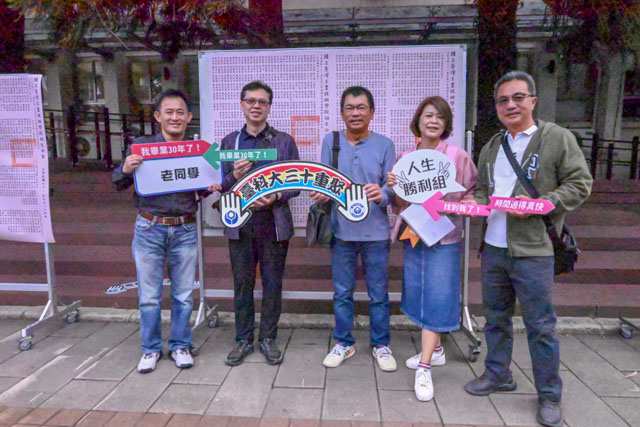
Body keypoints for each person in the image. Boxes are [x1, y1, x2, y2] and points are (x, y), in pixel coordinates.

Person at [464, 71, 592, 427]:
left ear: (533, 101)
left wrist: (541, 204)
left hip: (534, 250)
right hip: (494, 248)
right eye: (503, 100)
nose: (511, 105)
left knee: (540, 326)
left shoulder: (557, 138)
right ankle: (498, 374)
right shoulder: (493, 146)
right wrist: (471, 203)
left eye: (518, 98)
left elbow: (580, 184)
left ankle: (549, 395)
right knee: (495, 318)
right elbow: (484, 191)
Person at [112, 89, 220, 374]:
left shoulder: (198, 150)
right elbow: (118, 182)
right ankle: (150, 348)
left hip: (185, 228)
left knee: (183, 294)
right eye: (169, 112)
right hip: (149, 227)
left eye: (180, 112)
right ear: (158, 116)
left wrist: (212, 185)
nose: (175, 117)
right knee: (149, 296)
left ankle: (180, 345)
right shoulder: (141, 147)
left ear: (189, 117)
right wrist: (126, 168)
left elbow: (200, 187)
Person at [387, 96, 477, 401]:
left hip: (443, 236)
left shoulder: (457, 156)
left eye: (440, 117)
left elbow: (471, 192)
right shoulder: (406, 157)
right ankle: (435, 350)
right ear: (418, 120)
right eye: (428, 115)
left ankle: (424, 366)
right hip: (414, 233)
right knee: (418, 291)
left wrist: (464, 205)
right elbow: (400, 204)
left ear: (446, 124)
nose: (433, 121)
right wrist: (395, 187)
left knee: (437, 295)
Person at [310, 86, 398, 372]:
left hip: (376, 233)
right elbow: (323, 179)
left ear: (372, 112)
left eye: (361, 107)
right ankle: (343, 342)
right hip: (341, 231)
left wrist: (383, 194)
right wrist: (321, 193)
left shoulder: (385, 144)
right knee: (342, 292)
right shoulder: (331, 141)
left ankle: (380, 344)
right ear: (342, 113)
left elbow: (392, 188)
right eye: (350, 107)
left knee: (379, 294)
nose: (355, 113)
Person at [220, 80, 300, 366]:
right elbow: (221, 186)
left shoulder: (284, 141)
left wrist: (276, 195)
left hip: (273, 223)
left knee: (272, 283)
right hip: (240, 223)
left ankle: (268, 338)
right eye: (251, 101)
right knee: (242, 283)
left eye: (262, 102)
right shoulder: (230, 142)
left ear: (269, 107)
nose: (256, 106)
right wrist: (234, 175)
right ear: (242, 105)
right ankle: (243, 339)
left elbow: (297, 183)